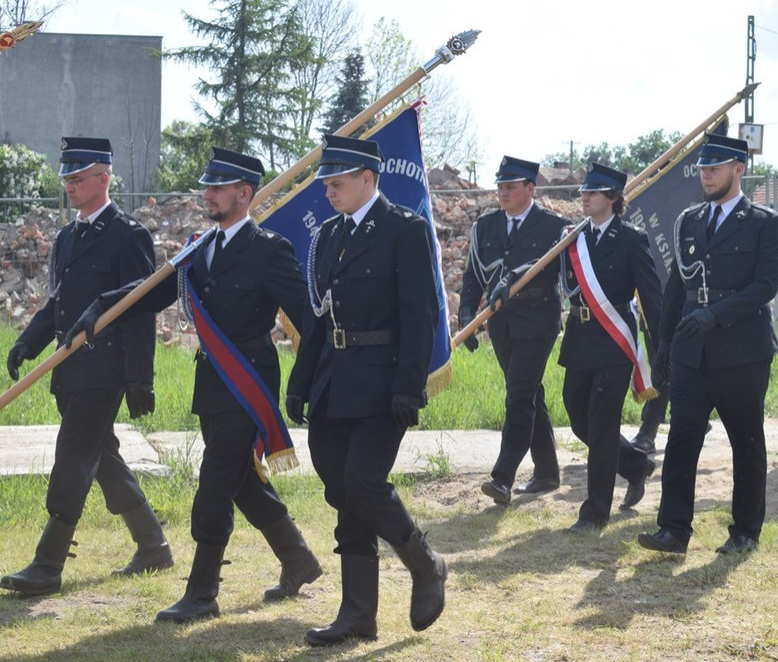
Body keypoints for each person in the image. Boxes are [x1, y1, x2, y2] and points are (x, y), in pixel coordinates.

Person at [66, 147, 321, 622]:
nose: (207, 194)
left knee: (214, 482)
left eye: (218, 188)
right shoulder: (201, 247)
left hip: (247, 381)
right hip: (212, 382)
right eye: (207, 187)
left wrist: (309, 381)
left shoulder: (270, 249)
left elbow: (306, 319)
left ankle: (202, 591)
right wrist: (101, 305)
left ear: (244, 194)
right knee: (240, 480)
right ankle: (298, 559)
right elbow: (153, 289)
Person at [287, 134, 447, 646]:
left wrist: (409, 388)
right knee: (344, 494)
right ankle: (358, 615)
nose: (328, 191)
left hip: (383, 383)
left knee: (363, 484)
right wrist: (300, 381)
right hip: (334, 381)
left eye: (336, 183)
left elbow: (420, 314)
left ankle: (424, 564)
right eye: (326, 183)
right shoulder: (330, 235)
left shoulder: (405, 229)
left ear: (367, 179)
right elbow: (319, 318)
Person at [0, 137, 172, 597]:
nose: (70, 186)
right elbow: (59, 301)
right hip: (69, 368)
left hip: (105, 369)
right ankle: (153, 545)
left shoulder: (128, 234)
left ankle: (48, 564)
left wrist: (139, 379)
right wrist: (28, 341)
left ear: (104, 178)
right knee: (104, 458)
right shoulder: (68, 236)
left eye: (78, 178)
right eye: (67, 180)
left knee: (73, 455)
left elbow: (140, 308)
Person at [637, 134, 778, 555]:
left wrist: (715, 315)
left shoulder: (764, 223)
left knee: (746, 442)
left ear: (739, 170)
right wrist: (664, 344)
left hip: (742, 350)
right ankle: (674, 530)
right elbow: (676, 288)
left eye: (715, 168)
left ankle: (744, 532)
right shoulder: (689, 221)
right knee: (682, 439)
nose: (706, 175)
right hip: (691, 350)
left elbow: (764, 287)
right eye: (703, 168)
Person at [458, 155, 569, 506]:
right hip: (502, 322)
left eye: (510, 186)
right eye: (500, 186)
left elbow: (551, 268)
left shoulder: (554, 226)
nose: (502, 192)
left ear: (529, 189)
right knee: (529, 392)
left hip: (538, 320)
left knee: (518, 396)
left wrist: (515, 275)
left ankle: (502, 477)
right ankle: (548, 471)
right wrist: (465, 314)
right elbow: (474, 275)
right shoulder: (485, 227)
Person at [557, 162, 662, 531]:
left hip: (614, 342)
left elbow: (651, 293)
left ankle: (595, 511)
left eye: (593, 192)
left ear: (613, 198)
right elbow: (539, 265)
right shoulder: (574, 238)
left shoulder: (632, 239)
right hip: (579, 340)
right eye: (583, 191)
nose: (584, 197)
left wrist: (663, 344)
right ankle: (636, 465)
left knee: (602, 425)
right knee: (579, 420)